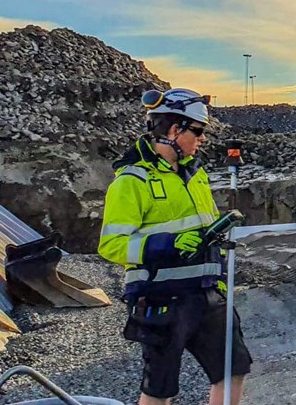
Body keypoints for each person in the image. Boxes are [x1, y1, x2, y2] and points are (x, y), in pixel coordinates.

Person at [98, 88, 253, 405]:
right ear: (173, 130)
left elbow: (197, 228)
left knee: (233, 368)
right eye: (198, 131)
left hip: (206, 293)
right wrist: (165, 245)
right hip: (160, 299)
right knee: (160, 388)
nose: (202, 139)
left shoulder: (194, 175)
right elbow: (111, 244)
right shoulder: (131, 181)